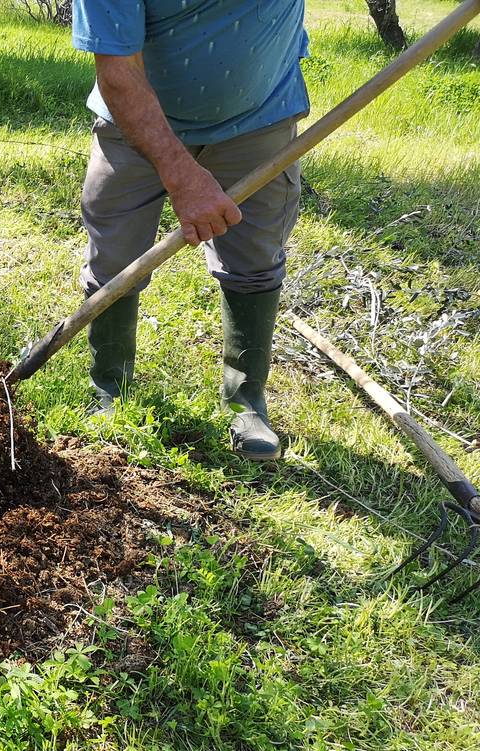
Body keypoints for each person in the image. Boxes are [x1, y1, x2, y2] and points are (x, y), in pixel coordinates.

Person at [72, 0, 309, 460]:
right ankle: (109, 388)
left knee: (255, 258)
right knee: (114, 255)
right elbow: (118, 74)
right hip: (132, 115)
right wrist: (182, 177)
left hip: (260, 116)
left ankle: (246, 400)